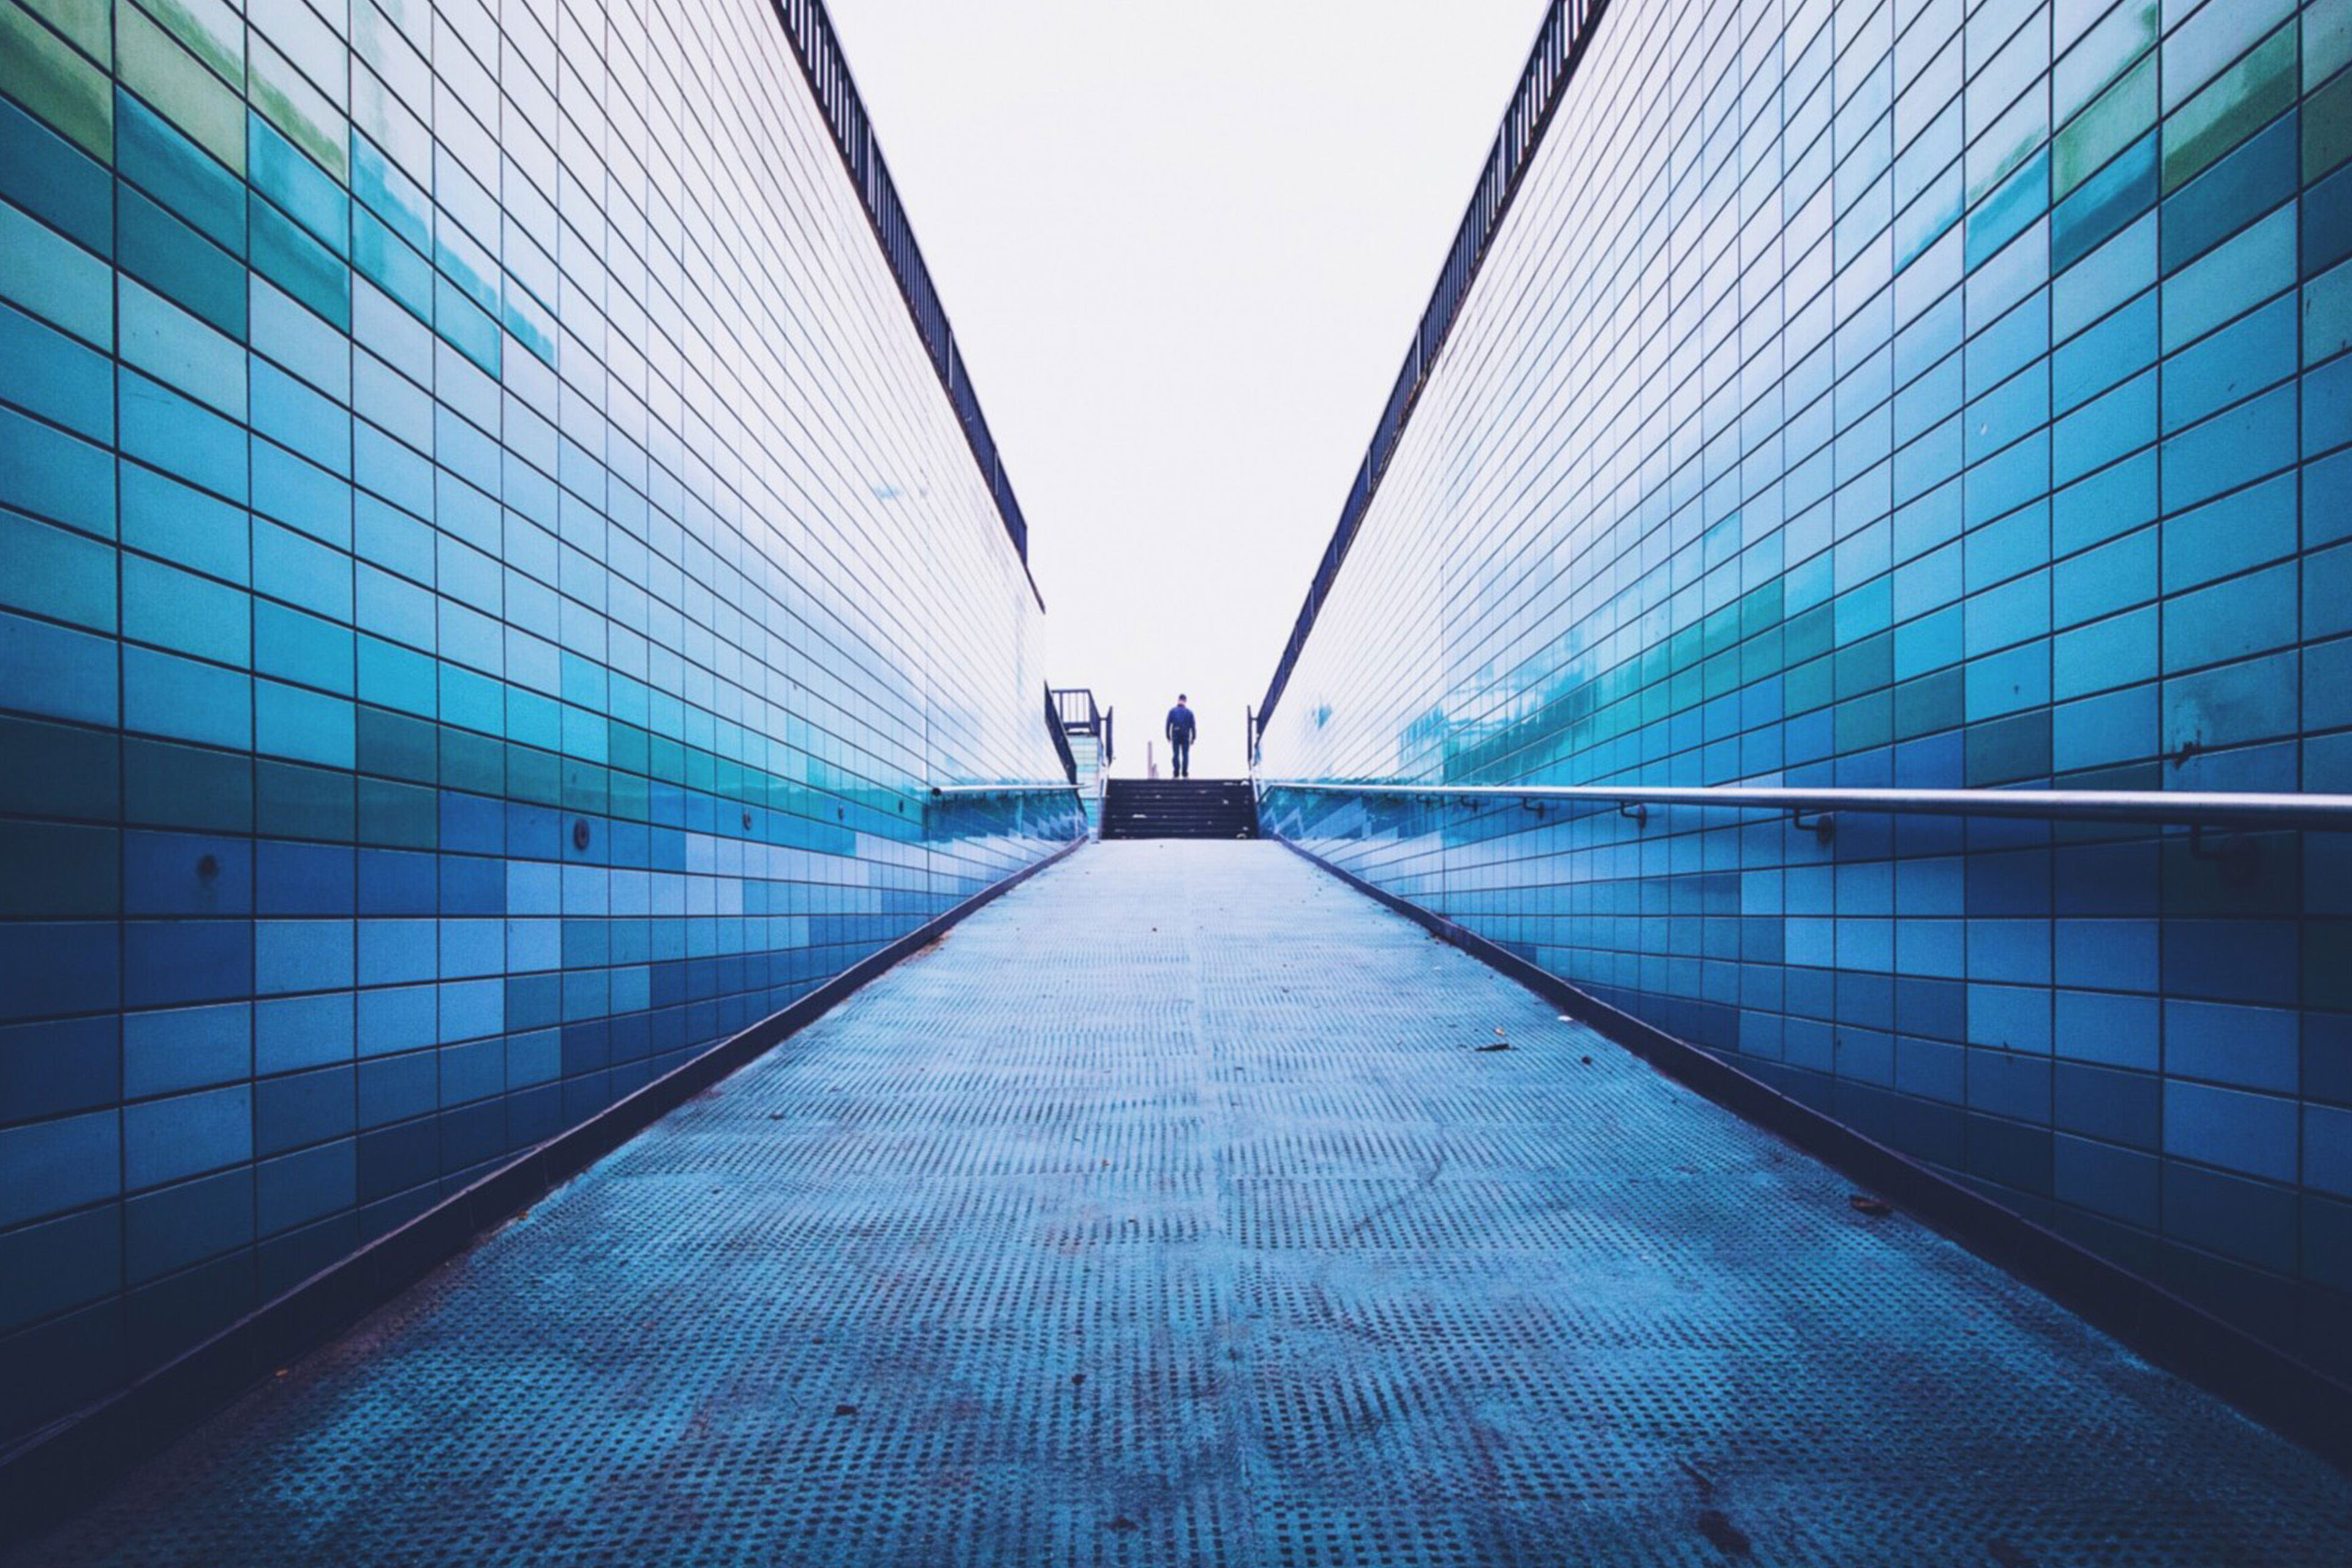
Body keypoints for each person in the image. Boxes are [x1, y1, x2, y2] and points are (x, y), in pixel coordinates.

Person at [1165, 694, 1197, 778]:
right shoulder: (1189, 713)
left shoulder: (1172, 711)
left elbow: (1168, 724)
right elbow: (1193, 725)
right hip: (1186, 734)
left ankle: (1176, 773)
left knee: (1176, 754)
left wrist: (1168, 736)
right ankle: (1185, 773)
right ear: (1185, 701)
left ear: (1178, 700)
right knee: (1185, 754)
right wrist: (1194, 737)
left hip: (1175, 733)